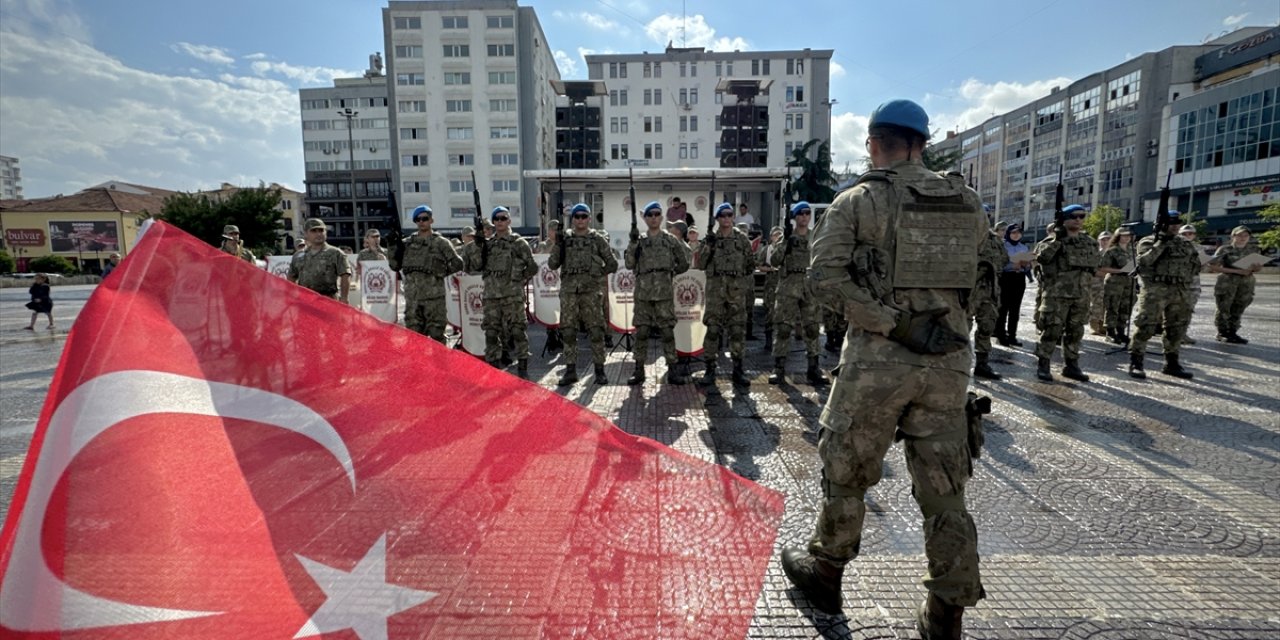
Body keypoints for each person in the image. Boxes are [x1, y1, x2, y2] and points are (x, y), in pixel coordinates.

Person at [780, 100, 984, 638]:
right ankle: (946, 614)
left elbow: (823, 281)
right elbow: (984, 279)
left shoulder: (858, 201)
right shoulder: (968, 202)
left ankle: (826, 574)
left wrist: (894, 324)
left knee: (847, 474)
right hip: (947, 364)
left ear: (874, 143)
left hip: (877, 364)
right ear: (923, 142)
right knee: (944, 490)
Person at [548, 203, 617, 385]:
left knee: (596, 332)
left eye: (584, 216)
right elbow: (553, 264)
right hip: (569, 293)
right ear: (573, 219)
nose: (580, 219)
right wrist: (558, 244)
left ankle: (599, 371)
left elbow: (612, 263)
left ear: (589, 218)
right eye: (577, 216)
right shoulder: (565, 239)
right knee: (569, 332)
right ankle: (570, 371)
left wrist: (596, 273)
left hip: (591, 294)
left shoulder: (597, 239)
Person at [625, 200, 692, 385]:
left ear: (662, 217)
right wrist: (632, 243)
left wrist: (668, 274)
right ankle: (638, 370)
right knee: (642, 333)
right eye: (650, 215)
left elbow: (685, 263)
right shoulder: (638, 242)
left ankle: (673, 370)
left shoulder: (670, 240)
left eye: (656, 214)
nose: (654, 218)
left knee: (667, 333)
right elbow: (629, 264)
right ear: (645, 219)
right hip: (643, 295)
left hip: (664, 294)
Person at [466, 206, 538, 377]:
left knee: (518, 331)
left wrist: (518, 279)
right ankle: (493, 370)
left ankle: (522, 368)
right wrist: (478, 243)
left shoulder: (518, 243)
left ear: (509, 221)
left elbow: (533, 267)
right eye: (496, 219)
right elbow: (475, 266)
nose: (500, 221)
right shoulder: (488, 245)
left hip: (512, 297)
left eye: (503, 218)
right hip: (491, 297)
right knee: (491, 333)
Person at [1128, 211, 1199, 379]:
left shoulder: (1185, 244)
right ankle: (1136, 362)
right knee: (1146, 326)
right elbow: (1144, 262)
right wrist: (1161, 243)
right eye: (1171, 222)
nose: (1175, 226)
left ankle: (1172, 363)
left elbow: (1195, 265)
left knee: (1177, 328)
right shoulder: (1148, 241)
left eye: (1177, 222)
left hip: (1179, 290)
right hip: (1155, 290)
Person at [1032, 204, 1099, 383]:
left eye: (1082, 216)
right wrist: (1058, 241)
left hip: (1081, 294)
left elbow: (1094, 267)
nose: (1078, 220)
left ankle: (1072, 365)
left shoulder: (1089, 242)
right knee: (1051, 331)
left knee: (1076, 331)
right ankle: (1044, 364)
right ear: (1064, 220)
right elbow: (1041, 259)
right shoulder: (1050, 242)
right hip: (1057, 295)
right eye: (1074, 216)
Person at [696, 202, 754, 387]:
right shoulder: (710, 240)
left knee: (737, 331)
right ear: (717, 219)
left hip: (736, 293)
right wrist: (709, 247)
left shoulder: (742, 239)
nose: (727, 218)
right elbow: (701, 264)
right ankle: (710, 370)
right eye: (723, 216)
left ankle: (738, 370)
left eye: (729, 215)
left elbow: (750, 265)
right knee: (712, 331)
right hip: (715, 293)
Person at [769, 202, 826, 386]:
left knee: (812, 328)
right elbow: (775, 261)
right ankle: (779, 368)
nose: (804, 216)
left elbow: (822, 261)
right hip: (789, 285)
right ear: (794, 217)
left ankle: (813, 367)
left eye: (807, 213)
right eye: (800, 214)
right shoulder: (787, 237)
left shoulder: (815, 237)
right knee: (784, 328)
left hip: (809, 285)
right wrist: (786, 242)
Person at [390, 205, 462, 343]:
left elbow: (458, 263)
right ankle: (419, 366)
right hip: (413, 301)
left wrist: (441, 272)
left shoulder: (440, 243)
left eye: (425, 218)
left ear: (431, 220)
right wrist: (392, 245)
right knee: (414, 339)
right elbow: (394, 266)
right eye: (418, 219)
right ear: (415, 222)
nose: (422, 221)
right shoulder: (406, 244)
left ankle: (439, 365)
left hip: (434, 300)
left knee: (437, 338)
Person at [1210, 225, 1263, 344]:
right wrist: (1237, 271)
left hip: (1246, 282)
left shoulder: (1254, 250)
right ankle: (1222, 332)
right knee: (1224, 307)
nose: (1243, 238)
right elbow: (1213, 267)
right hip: (1227, 282)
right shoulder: (1225, 249)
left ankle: (1233, 332)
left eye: (1246, 235)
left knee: (1239, 307)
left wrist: (1257, 268)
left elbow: (1258, 268)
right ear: (1233, 236)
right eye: (1239, 235)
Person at [973, 223, 1010, 379]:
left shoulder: (995, 240)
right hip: (967, 288)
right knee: (959, 326)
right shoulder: (964, 233)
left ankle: (982, 363)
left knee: (987, 325)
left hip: (989, 289)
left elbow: (1004, 259)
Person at [288, 218, 351, 303]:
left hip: (328, 300)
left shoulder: (336, 253)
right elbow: (291, 277)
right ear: (306, 234)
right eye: (314, 231)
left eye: (321, 230)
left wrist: (344, 298)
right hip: (305, 302)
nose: (318, 234)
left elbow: (345, 276)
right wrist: (292, 297)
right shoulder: (298, 256)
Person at [995, 223, 1032, 347]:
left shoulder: (1024, 247)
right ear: (1008, 234)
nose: (1016, 235)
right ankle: (1001, 335)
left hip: (1019, 278)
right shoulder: (1003, 246)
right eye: (1013, 233)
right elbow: (998, 262)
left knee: (1015, 309)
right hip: (1006, 278)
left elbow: (1029, 264)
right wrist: (1011, 265)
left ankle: (1012, 336)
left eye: (1018, 233)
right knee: (1003, 307)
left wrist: (1027, 264)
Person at [1099, 227, 1135, 345]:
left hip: (1129, 282)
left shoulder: (1132, 250)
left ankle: (1121, 331)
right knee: (1113, 306)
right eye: (1124, 235)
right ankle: (1110, 332)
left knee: (1126, 307)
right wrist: (1120, 271)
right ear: (1118, 236)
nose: (1127, 238)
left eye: (1128, 236)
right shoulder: (1112, 251)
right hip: (1114, 282)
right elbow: (1103, 267)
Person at [1178, 224, 1205, 344]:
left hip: (1193, 283)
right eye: (1184, 234)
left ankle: (1183, 333)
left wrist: (1204, 264)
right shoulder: (1174, 247)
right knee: (1175, 309)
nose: (1187, 236)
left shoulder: (1199, 248)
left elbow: (1204, 267)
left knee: (1189, 309)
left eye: (1190, 233)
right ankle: (1173, 334)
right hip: (1178, 283)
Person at [759, 226, 784, 351]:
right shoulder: (766, 250)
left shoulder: (785, 249)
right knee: (770, 311)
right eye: (775, 235)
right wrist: (770, 269)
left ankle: (781, 341)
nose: (777, 237)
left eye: (780, 235)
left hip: (784, 283)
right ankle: (768, 339)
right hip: (771, 283)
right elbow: (760, 266)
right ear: (771, 237)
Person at [1087, 231, 1112, 336]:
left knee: (1108, 305)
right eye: (1103, 239)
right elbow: (1093, 269)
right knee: (1096, 305)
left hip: (1112, 283)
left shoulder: (1115, 253)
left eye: (1108, 239)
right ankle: (1094, 326)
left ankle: (1103, 326)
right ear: (1099, 241)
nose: (1105, 241)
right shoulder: (1095, 254)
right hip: (1097, 282)